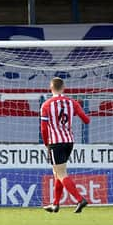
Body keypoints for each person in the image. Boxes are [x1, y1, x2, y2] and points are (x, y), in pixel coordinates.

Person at [40, 77, 91, 213]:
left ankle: (80, 199)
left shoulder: (46, 105)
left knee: (61, 173)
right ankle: (55, 204)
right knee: (57, 173)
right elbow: (86, 120)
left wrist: (46, 144)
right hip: (69, 141)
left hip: (55, 142)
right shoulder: (72, 102)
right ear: (63, 88)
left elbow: (44, 129)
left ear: (51, 88)